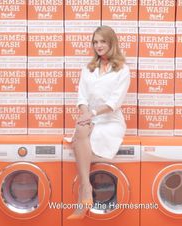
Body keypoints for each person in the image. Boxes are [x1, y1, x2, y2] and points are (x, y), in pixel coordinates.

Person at [66, 25, 131, 220]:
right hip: (90, 116)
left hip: (110, 121)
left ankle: (83, 193)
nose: (98, 45)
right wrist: (86, 114)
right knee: (80, 128)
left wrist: (92, 113)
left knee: (80, 135)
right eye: (95, 42)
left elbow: (114, 103)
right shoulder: (88, 68)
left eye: (102, 41)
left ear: (112, 43)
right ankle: (87, 187)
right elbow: (81, 98)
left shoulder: (122, 70)